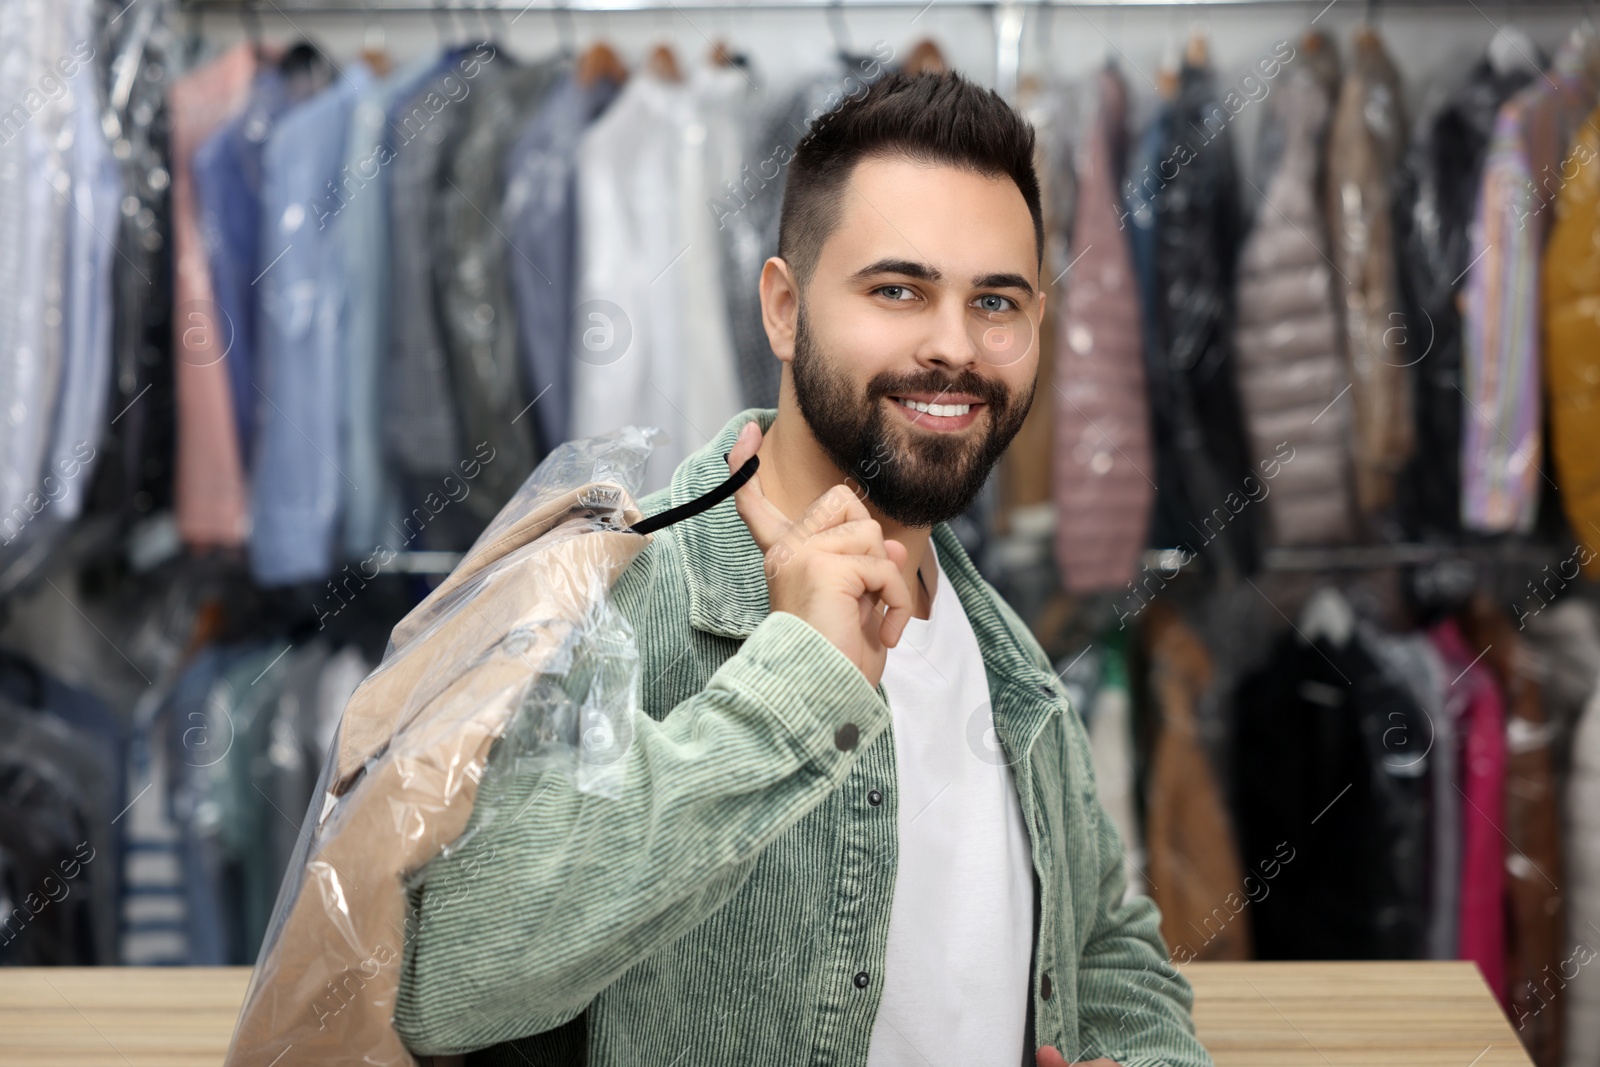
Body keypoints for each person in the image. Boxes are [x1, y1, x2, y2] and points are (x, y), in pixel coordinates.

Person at [395, 69, 1212, 1067]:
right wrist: (790, 687)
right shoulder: (611, 598)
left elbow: (1103, 936)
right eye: (898, 289)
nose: (953, 347)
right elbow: (445, 980)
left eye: (995, 301)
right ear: (783, 309)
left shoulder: (1009, 659)